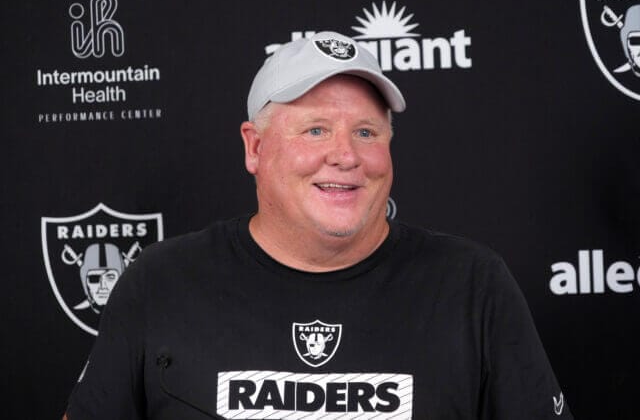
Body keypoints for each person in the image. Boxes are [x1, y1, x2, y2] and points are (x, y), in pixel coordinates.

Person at [64, 31, 573, 419]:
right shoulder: (160, 282)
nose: (345, 155)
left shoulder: (472, 285)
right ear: (254, 147)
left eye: (366, 132)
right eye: (315, 130)